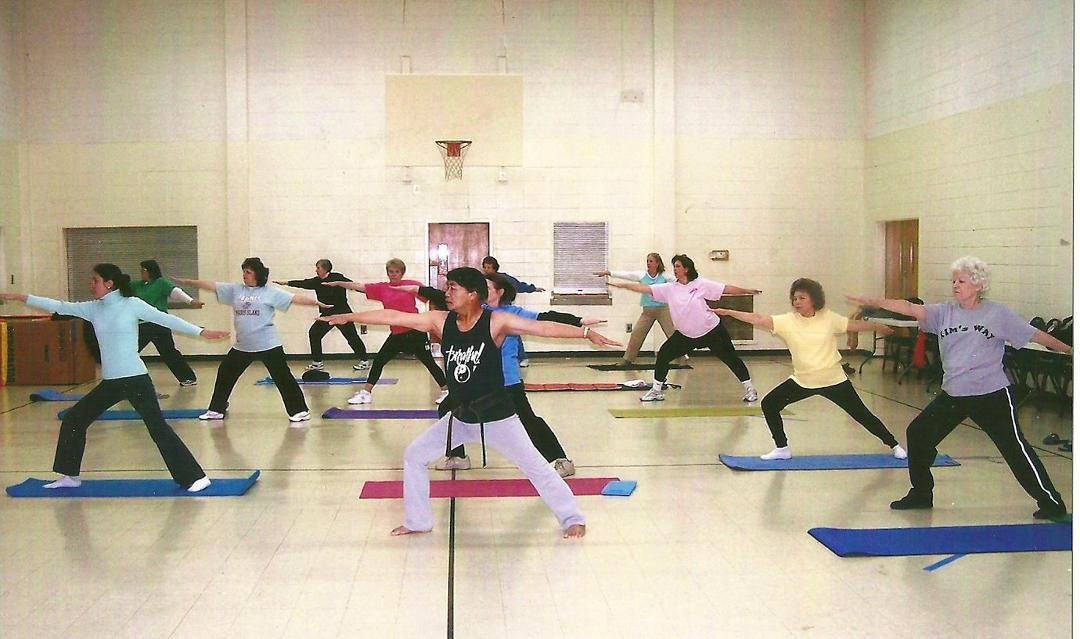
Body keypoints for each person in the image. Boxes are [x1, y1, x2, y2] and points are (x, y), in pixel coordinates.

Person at [320, 267, 620, 538]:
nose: (447, 293)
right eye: (447, 287)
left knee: (537, 468)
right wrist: (349, 317)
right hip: (461, 417)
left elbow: (542, 327)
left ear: (473, 294)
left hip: (499, 418)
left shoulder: (496, 321)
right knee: (414, 456)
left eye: (453, 288)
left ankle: (572, 518)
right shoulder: (441, 321)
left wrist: (585, 333)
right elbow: (394, 317)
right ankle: (418, 521)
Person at [848, 256, 1070, 519]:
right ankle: (921, 493)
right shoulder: (944, 312)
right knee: (919, 433)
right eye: (954, 281)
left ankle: (1051, 502)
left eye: (961, 281)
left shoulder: (997, 314)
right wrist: (875, 301)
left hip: (991, 395)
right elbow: (909, 308)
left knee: (1014, 448)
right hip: (955, 394)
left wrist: (1069, 350)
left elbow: (1035, 334)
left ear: (978, 285)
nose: (955, 285)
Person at [0, 264, 230, 491]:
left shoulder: (132, 304)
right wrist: (21, 297)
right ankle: (70, 476)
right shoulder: (93, 308)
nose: (91, 284)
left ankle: (196, 477)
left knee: (157, 427)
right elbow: (59, 306)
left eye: (95, 280)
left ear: (109, 283)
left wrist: (202, 331)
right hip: (111, 383)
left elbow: (166, 319)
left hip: (135, 379)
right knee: (74, 419)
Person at [396, 274, 604, 476]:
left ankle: (561, 460)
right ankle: (458, 457)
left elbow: (546, 319)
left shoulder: (512, 314)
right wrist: (418, 289)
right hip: (479, 382)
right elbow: (443, 297)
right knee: (448, 409)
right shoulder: (479, 312)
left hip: (507, 380)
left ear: (500, 292)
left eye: (487, 288)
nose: (481, 291)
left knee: (527, 419)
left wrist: (580, 322)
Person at [713, 278, 906, 461]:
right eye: (794, 298)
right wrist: (729, 312)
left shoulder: (829, 318)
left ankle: (894, 445)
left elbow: (854, 325)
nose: (797, 302)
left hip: (834, 380)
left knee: (862, 415)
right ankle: (782, 448)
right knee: (770, 404)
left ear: (814, 300)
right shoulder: (787, 321)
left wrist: (877, 326)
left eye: (802, 298)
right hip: (803, 381)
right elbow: (757, 318)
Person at [174, 257, 326, 424]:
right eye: (243, 271)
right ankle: (216, 409)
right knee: (225, 372)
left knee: (282, 377)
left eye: (248, 272)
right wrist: (187, 282)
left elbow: (295, 298)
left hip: (268, 344)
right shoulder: (235, 290)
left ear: (257, 274)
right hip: (243, 345)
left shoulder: (269, 292)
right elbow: (211, 285)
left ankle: (300, 411)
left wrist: (318, 303)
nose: (244, 275)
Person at [606, 254, 761, 403]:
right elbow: (646, 289)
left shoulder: (701, 284)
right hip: (686, 335)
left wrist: (747, 291)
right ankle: (656, 391)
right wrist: (624, 286)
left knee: (731, 359)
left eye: (678, 266)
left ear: (686, 269)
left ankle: (750, 389)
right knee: (664, 354)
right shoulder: (669, 288)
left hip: (712, 331)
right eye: (674, 266)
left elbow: (726, 289)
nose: (675, 269)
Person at [323, 258, 448, 405]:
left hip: (415, 332)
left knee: (429, 363)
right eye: (391, 272)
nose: (393, 274)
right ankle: (366, 393)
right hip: (396, 334)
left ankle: (446, 391)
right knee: (379, 361)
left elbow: (433, 296)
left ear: (402, 273)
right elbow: (359, 286)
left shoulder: (411, 285)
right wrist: (339, 283)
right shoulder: (382, 288)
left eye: (397, 272)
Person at [273, 259, 369, 371]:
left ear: (325, 269)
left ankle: (364, 361)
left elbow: (351, 285)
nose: (316, 270)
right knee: (314, 333)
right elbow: (302, 283)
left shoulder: (337, 277)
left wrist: (367, 290)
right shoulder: (316, 281)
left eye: (318, 268)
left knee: (352, 337)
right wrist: (286, 282)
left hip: (342, 313)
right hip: (327, 314)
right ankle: (317, 363)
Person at [596, 252, 679, 366]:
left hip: (663, 310)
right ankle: (628, 359)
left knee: (672, 335)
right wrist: (609, 272)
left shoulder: (665, 276)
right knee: (636, 334)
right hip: (647, 311)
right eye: (647, 261)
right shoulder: (642, 275)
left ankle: (682, 358)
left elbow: (680, 283)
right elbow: (627, 275)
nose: (648, 263)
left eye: (651, 261)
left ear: (657, 263)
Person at [132, 259, 203, 386]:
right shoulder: (136, 285)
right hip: (142, 325)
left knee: (168, 351)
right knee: (131, 350)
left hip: (159, 324)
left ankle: (188, 378)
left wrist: (191, 301)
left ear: (150, 271)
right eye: (141, 270)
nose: (141, 273)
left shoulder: (161, 283)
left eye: (144, 270)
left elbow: (176, 292)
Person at [481, 256, 545, 367]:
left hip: (504, 311)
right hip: (488, 311)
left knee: (513, 333)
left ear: (495, 268)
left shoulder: (504, 279)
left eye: (489, 267)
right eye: (485, 267)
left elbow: (519, 285)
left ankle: (522, 357)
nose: (487, 270)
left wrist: (533, 288)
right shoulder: (482, 280)